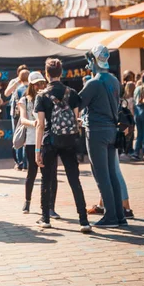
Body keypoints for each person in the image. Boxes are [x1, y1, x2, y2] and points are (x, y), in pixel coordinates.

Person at [35, 59, 91, 233]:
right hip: (68, 141)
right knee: (74, 180)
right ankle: (84, 220)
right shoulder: (72, 93)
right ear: (61, 72)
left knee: (46, 179)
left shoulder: (42, 95)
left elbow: (40, 124)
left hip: (50, 141)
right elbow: (76, 119)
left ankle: (45, 219)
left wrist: (37, 150)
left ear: (46, 73)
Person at [79, 45, 126, 228]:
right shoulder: (114, 80)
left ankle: (111, 217)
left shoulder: (93, 83)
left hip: (97, 131)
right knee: (112, 173)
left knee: (101, 174)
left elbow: (79, 103)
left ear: (93, 60)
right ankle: (119, 215)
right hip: (111, 130)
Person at [19, 71, 47, 214]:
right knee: (32, 172)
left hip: (46, 139)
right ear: (31, 85)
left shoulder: (46, 97)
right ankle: (27, 201)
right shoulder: (24, 100)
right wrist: (34, 122)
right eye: (37, 84)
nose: (40, 86)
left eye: (42, 83)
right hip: (31, 140)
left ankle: (47, 206)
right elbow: (23, 119)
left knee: (46, 173)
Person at [5, 65, 30, 170]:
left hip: (20, 113)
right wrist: (16, 83)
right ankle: (19, 162)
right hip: (16, 114)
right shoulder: (15, 82)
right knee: (19, 136)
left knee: (23, 137)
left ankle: (22, 163)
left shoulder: (29, 86)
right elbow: (6, 93)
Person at [122, 81, 136, 157]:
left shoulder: (124, 99)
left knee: (126, 133)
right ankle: (129, 149)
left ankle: (125, 149)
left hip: (125, 119)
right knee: (131, 134)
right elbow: (133, 110)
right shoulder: (132, 99)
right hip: (131, 118)